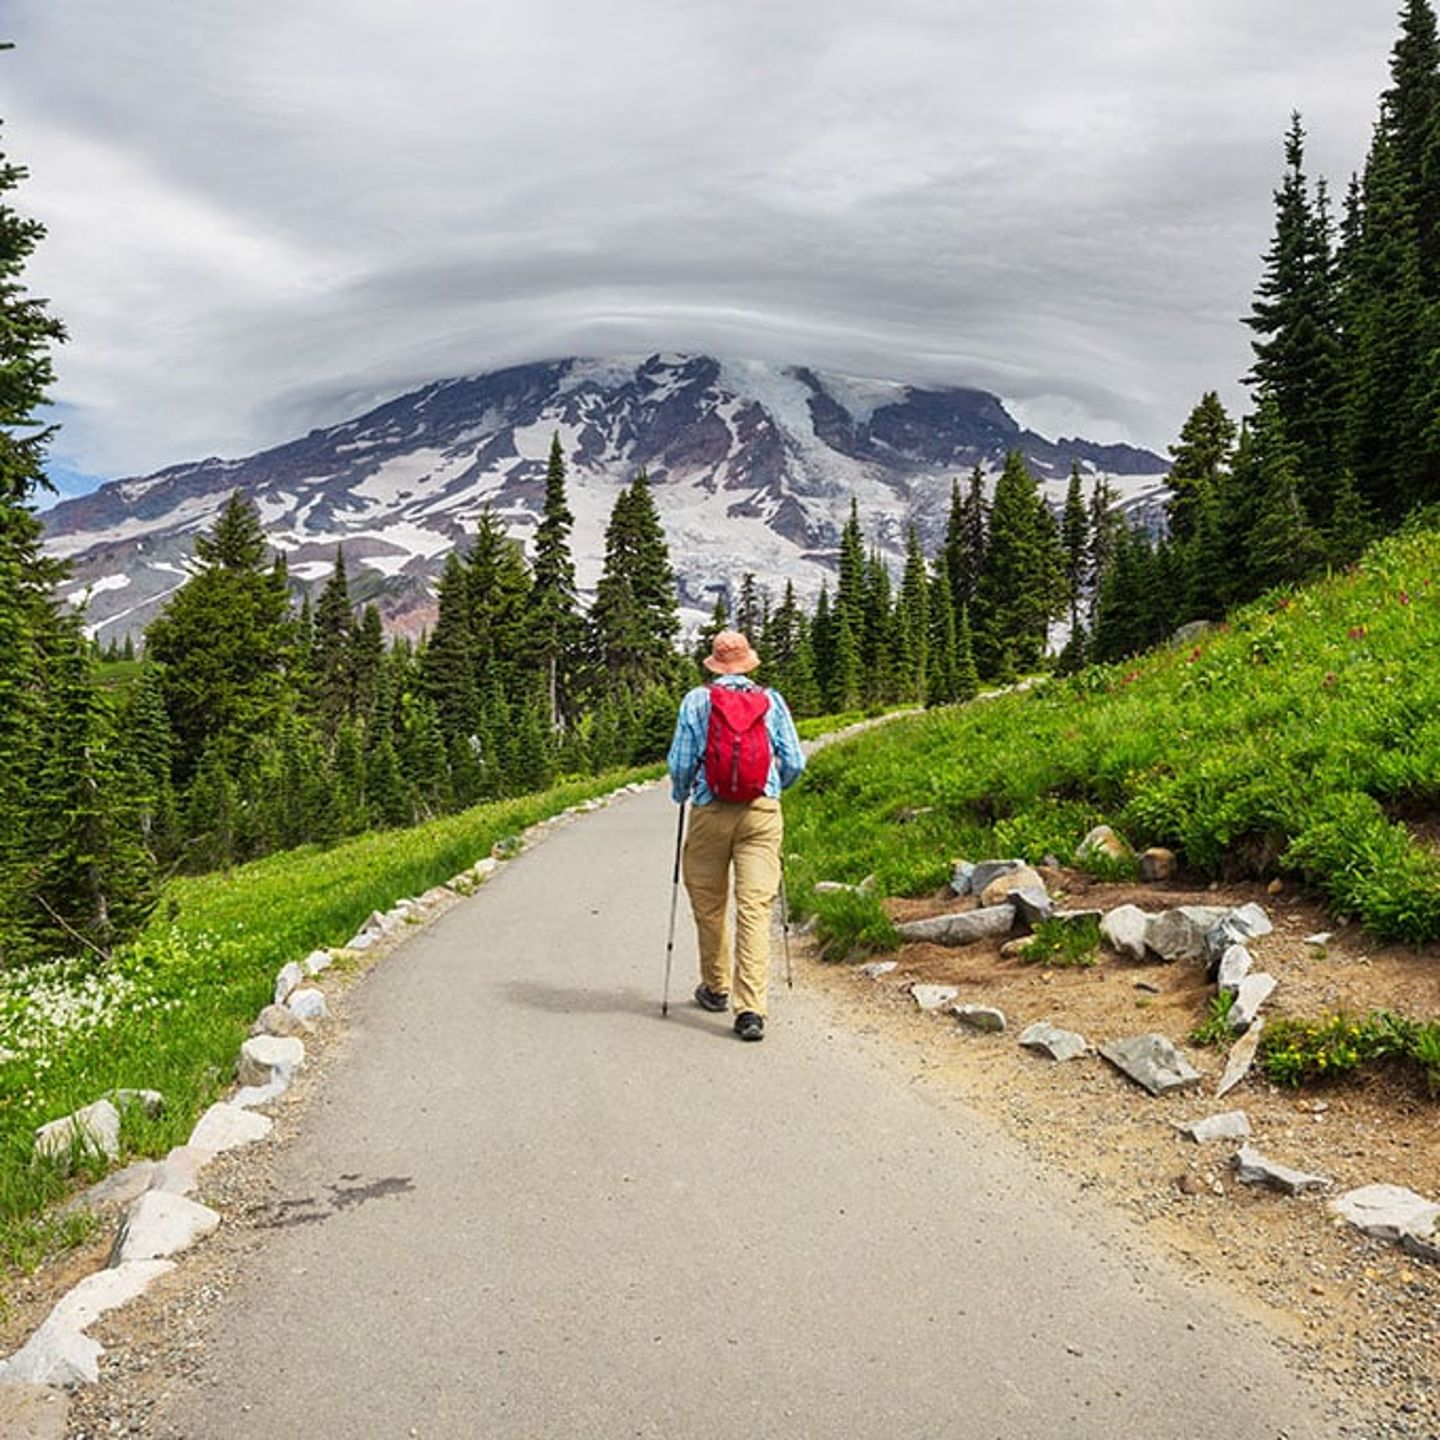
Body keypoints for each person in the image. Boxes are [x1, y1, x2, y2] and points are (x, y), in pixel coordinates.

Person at [667, 629, 805, 1042]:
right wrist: (774, 788)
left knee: (709, 903)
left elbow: (681, 764)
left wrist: (682, 793)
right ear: (748, 663)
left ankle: (716, 987)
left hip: (711, 812)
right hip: (761, 813)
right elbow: (795, 760)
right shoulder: (770, 700)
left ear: (714, 663)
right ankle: (751, 1011)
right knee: (755, 908)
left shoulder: (697, 701)